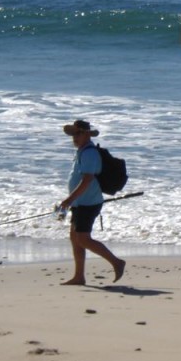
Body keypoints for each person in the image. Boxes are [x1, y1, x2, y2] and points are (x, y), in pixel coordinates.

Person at [58, 119, 126, 286]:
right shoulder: (81, 151)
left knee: (83, 239)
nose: (75, 137)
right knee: (75, 238)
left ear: (87, 134)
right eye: (74, 134)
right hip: (80, 203)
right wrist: (72, 201)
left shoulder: (89, 153)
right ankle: (79, 276)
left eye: (79, 133)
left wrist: (69, 199)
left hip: (88, 203)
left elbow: (87, 180)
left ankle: (117, 262)